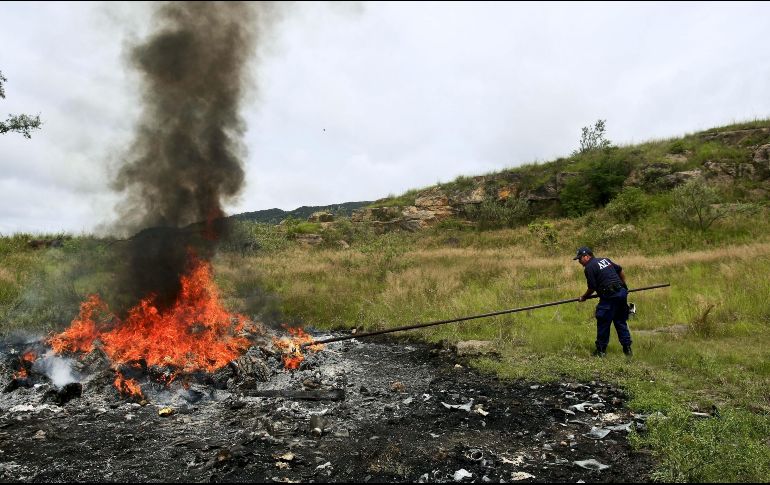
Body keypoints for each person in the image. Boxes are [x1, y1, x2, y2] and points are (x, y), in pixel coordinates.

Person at [574, 247, 632, 357]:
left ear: (587, 256)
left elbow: (592, 287)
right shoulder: (605, 260)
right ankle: (627, 349)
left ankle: (601, 351)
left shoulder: (589, 267)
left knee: (603, 322)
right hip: (621, 293)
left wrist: (584, 297)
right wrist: (624, 287)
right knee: (620, 322)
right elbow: (620, 270)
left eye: (580, 259)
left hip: (609, 297)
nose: (579, 262)